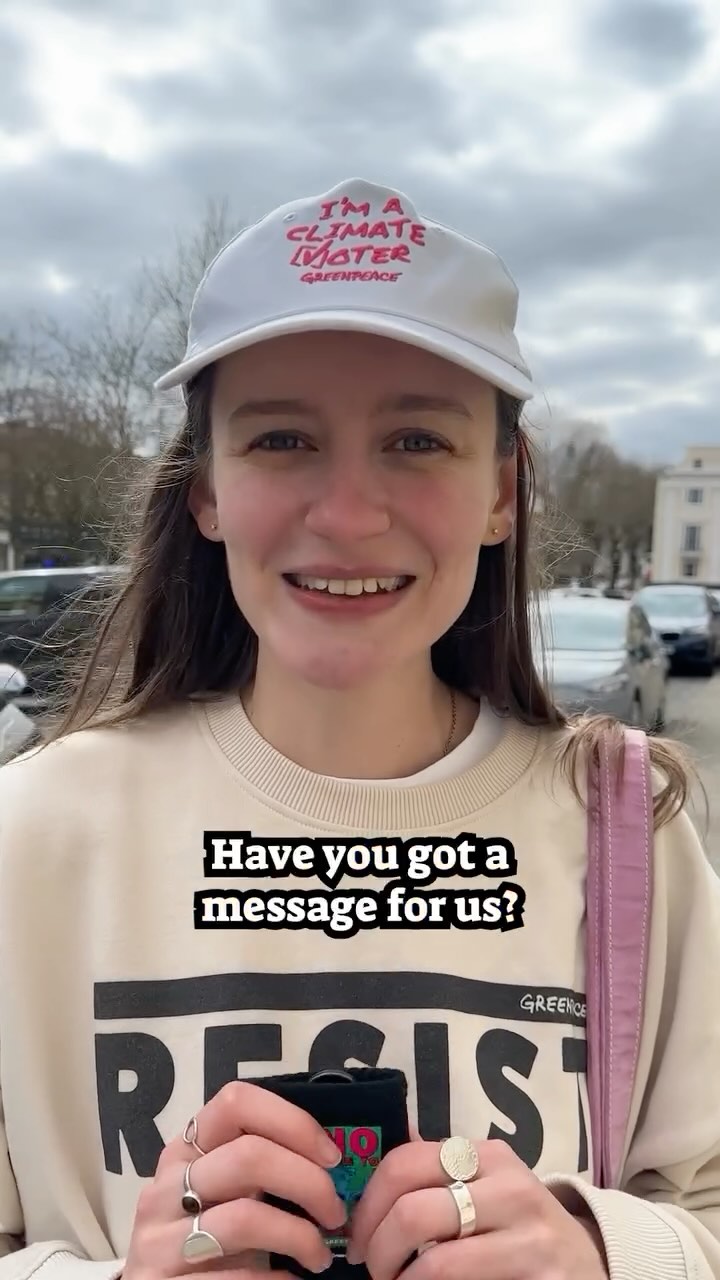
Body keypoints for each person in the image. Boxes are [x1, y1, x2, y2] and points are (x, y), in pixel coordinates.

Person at [1, 175, 719, 1280]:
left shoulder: (626, 823)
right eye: (283, 437)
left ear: (501, 491)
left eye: (417, 441)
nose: (345, 514)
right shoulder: (34, 829)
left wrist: (598, 1249)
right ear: (206, 491)